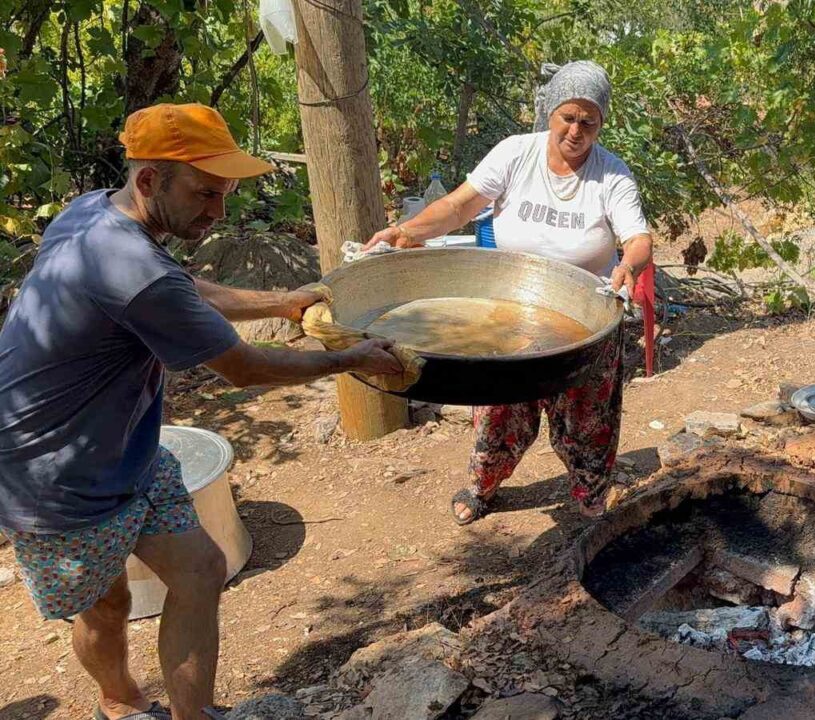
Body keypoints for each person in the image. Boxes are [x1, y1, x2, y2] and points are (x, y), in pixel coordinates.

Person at [0, 103, 403, 720]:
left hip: (126, 444)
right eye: (205, 193)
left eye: (225, 195)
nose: (217, 212)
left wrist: (285, 302)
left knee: (201, 567)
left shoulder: (93, 210)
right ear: (148, 181)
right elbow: (242, 368)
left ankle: (194, 716)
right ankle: (120, 702)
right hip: (52, 474)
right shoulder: (128, 264)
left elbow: (180, 290)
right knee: (104, 606)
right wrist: (352, 360)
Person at [362, 61, 653, 524]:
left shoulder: (612, 176)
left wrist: (628, 264)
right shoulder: (516, 154)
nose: (576, 131)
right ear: (550, 113)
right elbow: (460, 205)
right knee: (499, 412)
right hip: (511, 312)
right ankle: (483, 486)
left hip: (585, 318)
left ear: (600, 125)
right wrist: (407, 231)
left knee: (588, 420)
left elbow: (637, 237)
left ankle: (591, 494)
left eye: (588, 122)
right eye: (568, 117)